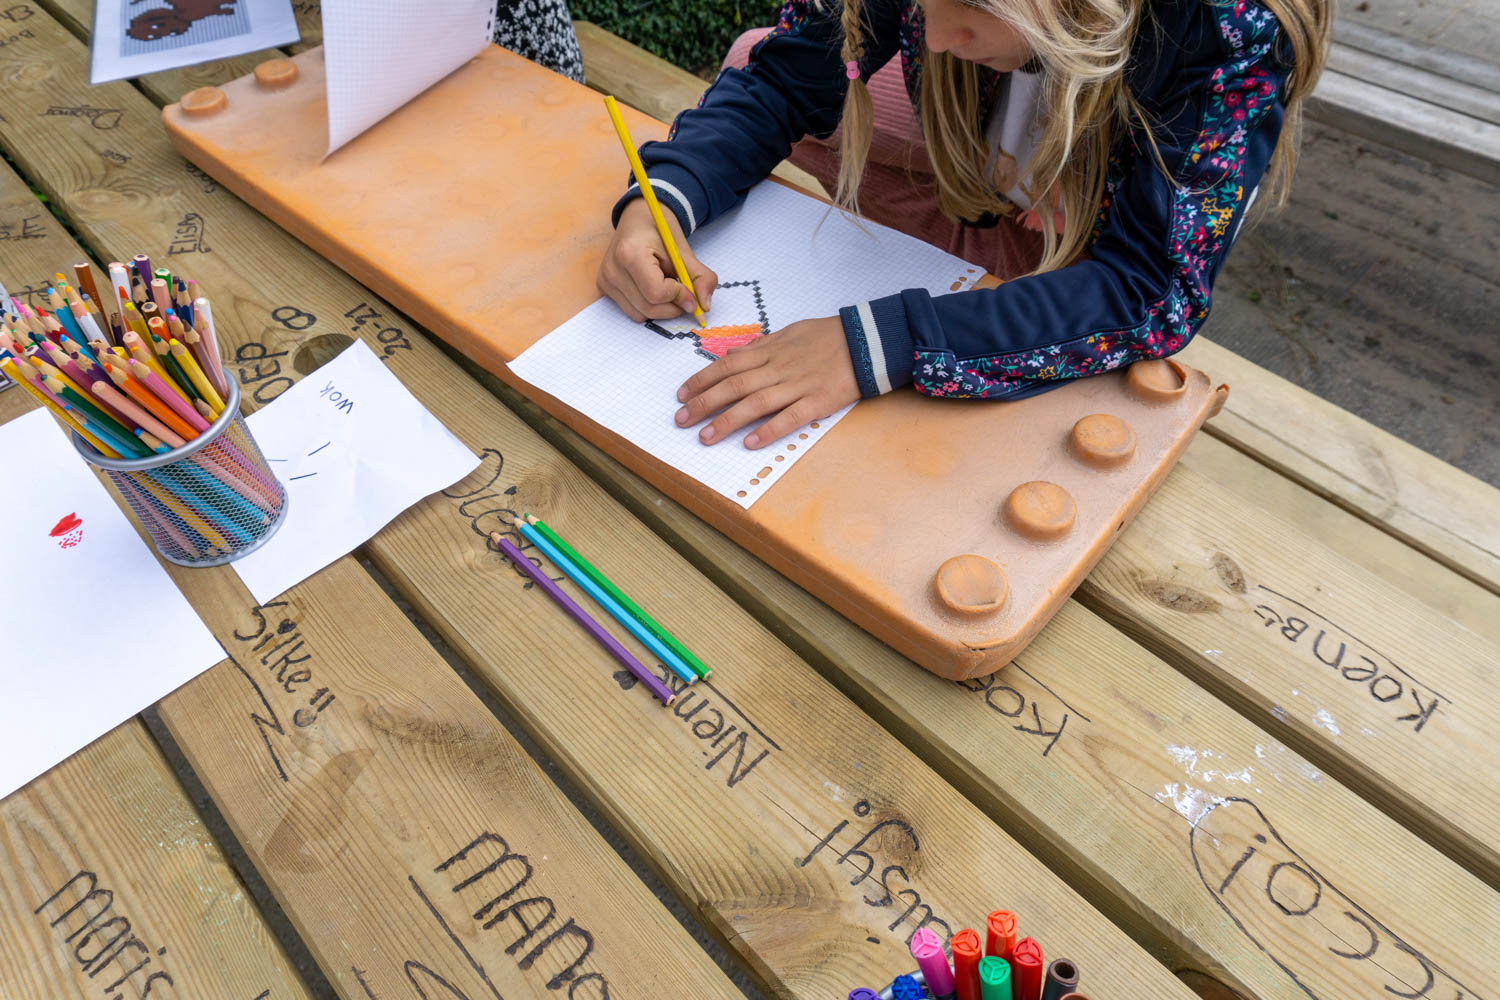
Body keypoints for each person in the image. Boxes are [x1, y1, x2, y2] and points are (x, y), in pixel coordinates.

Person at [596, 0, 1329, 449]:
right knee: (753, 56)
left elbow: (1150, 288)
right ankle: (984, 264)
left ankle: (1013, 275)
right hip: (995, 155)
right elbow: (781, 80)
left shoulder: (1226, 28)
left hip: (1101, 199)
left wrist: (882, 343)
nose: (938, 34)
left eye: (975, 3)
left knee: (1081, 327)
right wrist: (663, 199)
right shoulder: (951, 24)